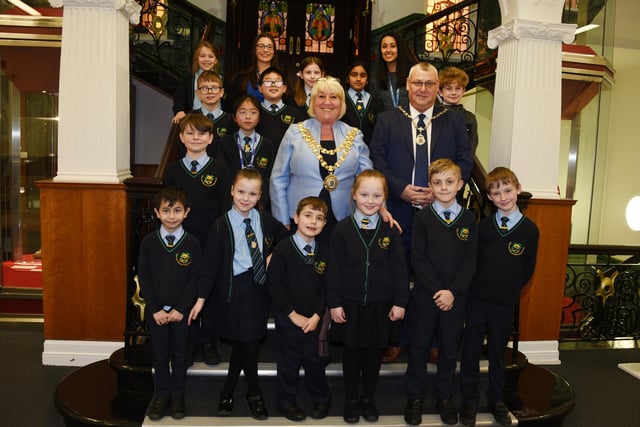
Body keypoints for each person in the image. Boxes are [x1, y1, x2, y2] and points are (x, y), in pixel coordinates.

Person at [190, 168, 289, 420]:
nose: (246, 198)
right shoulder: (221, 225)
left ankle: (228, 390)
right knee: (249, 345)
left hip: (258, 288)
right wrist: (201, 298)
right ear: (232, 191)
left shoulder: (266, 221)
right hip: (234, 290)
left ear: (259, 196)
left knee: (247, 343)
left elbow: (287, 240)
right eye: (241, 191)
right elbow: (210, 265)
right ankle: (253, 393)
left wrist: (272, 255)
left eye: (252, 193)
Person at [326, 169, 409, 424]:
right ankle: (351, 400)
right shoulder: (341, 230)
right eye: (364, 195)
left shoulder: (390, 231)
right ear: (353, 195)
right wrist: (335, 304)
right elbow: (333, 271)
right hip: (350, 305)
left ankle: (368, 399)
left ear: (384, 198)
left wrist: (400, 302)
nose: (370, 201)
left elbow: (400, 270)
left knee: (373, 355)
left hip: (380, 305)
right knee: (351, 355)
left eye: (376, 195)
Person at [459, 167, 539, 427]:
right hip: (477, 301)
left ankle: (495, 399)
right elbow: (472, 263)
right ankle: (469, 400)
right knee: (471, 351)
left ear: (517, 189)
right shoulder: (482, 228)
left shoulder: (530, 230)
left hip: (503, 304)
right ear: (490, 198)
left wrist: (509, 292)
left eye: (507, 190)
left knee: (497, 354)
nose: (503, 197)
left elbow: (528, 269)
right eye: (496, 192)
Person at [370, 61, 472, 257]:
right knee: (396, 276)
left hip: (441, 212)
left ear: (437, 87)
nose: (423, 89)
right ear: (408, 84)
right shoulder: (387, 119)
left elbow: (465, 161)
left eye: (430, 84)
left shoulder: (455, 121)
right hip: (396, 212)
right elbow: (378, 159)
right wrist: (400, 189)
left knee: (436, 275)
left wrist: (441, 191)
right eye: (418, 83)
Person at [403, 159, 478, 426]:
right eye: (437, 182)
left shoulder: (469, 219)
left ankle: (444, 397)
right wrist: (438, 291)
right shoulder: (423, 217)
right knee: (419, 348)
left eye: (449, 182)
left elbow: (470, 262)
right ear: (431, 186)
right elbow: (418, 259)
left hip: (455, 300)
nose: (444, 187)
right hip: (426, 296)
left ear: (460, 185)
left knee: (448, 350)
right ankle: (415, 397)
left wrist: (452, 292)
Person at [163, 113, 231, 367]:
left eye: (201, 133)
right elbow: (167, 207)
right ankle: (189, 341)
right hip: (182, 243)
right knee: (186, 291)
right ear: (181, 137)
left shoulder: (220, 169)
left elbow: (226, 207)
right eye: (190, 133)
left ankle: (208, 340)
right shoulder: (172, 171)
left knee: (210, 292)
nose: (195, 138)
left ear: (210, 138)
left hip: (211, 243)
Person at [270, 76, 373, 244]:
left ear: (341, 103)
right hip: (300, 217)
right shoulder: (295, 132)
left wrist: (376, 209)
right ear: (312, 101)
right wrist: (283, 220)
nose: (327, 102)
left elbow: (367, 180)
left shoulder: (354, 135)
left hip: (343, 218)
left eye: (334, 97)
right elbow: (278, 179)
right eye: (321, 96)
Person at [137, 186, 202, 421]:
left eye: (177, 210)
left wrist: (181, 309)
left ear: (186, 213)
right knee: (160, 356)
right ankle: (161, 396)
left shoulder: (193, 244)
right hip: (157, 315)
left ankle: (178, 398)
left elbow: (195, 279)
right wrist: (154, 308)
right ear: (157, 212)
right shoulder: (149, 243)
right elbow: (144, 277)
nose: (172, 216)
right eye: (166, 210)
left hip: (180, 315)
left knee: (180, 356)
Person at [267, 196, 331, 422]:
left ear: (324, 224)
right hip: (289, 318)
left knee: (314, 361)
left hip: (313, 319)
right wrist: (292, 314)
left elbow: (324, 287)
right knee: (289, 361)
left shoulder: (324, 252)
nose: (313, 221)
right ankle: (286, 400)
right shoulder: (283, 249)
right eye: (308, 215)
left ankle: (321, 399)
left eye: (320, 218)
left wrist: (316, 316)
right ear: (296, 217)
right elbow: (274, 285)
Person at [218, 95, 275, 210]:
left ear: (259, 117)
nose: (248, 117)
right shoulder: (225, 143)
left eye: (253, 112)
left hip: (259, 203)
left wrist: (262, 201)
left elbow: (270, 177)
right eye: (242, 112)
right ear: (234, 117)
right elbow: (222, 175)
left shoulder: (267, 144)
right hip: (231, 203)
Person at [256, 67, 305, 153]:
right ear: (260, 88)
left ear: (284, 88)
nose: (273, 85)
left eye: (278, 81)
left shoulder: (296, 114)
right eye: (268, 81)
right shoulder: (254, 112)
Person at [187, 71, 236, 157]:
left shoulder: (230, 120)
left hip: (221, 167)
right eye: (204, 88)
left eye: (214, 88)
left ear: (221, 92)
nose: (210, 92)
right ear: (198, 93)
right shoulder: (190, 118)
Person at [225, 32, 280, 107]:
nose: (265, 50)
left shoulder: (281, 79)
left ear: (274, 51)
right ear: (255, 49)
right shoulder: (239, 79)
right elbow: (229, 106)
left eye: (269, 46)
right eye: (261, 46)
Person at [172, 41, 219, 124]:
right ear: (197, 59)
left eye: (211, 56)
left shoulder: (223, 80)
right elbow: (179, 99)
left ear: (216, 60)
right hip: (194, 123)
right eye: (202, 56)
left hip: (217, 122)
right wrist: (180, 111)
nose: (206, 59)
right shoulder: (189, 80)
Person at [341, 59, 383, 146]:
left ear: (367, 79)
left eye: (363, 75)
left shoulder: (376, 102)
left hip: (370, 152)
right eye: (354, 75)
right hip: (345, 150)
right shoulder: (340, 99)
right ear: (347, 78)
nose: (358, 79)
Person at [371, 32, 417, 111]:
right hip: (385, 122)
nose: (388, 50)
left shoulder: (412, 74)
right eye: (384, 47)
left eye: (393, 46)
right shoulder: (376, 79)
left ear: (399, 48)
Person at [438, 66, 479, 153]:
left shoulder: (470, 117)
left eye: (458, 88)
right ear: (440, 92)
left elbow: (471, 147)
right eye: (448, 88)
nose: (453, 93)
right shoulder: (434, 114)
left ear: (463, 91)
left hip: (462, 165)